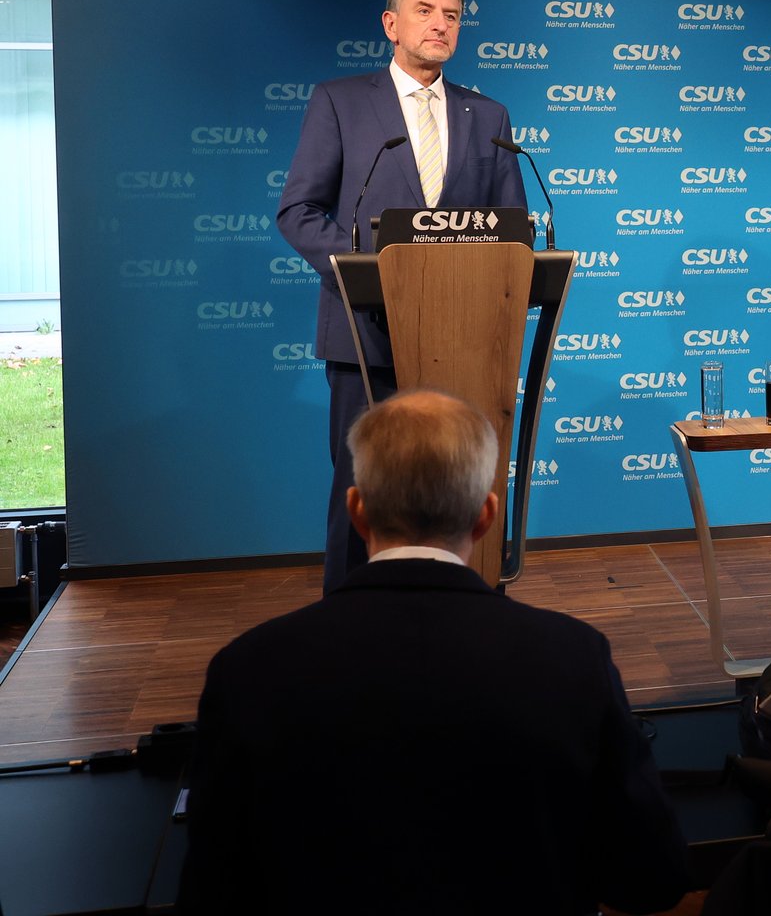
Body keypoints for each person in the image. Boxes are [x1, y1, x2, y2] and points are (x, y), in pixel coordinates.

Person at [177, 389, 691, 915]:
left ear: (356, 510)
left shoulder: (247, 669)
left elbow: (211, 891)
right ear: (488, 516)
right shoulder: (576, 658)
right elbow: (651, 878)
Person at [277, 0, 526, 593]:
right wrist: (375, 275)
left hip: (464, 336)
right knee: (362, 490)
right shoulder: (341, 101)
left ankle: (467, 621)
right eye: (424, 10)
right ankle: (348, 629)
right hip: (367, 334)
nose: (440, 23)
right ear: (392, 25)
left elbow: (510, 229)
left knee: (462, 489)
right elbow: (299, 212)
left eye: (452, 14)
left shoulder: (487, 113)